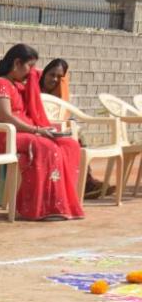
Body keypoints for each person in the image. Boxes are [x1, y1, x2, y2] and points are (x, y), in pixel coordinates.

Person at [0, 43, 84, 221]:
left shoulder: (17, 85)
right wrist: (37, 130)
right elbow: (6, 118)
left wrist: (41, 130)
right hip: (1, 135)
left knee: (69, 145)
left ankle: (59, 204)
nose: (32, 72)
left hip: (19, 134)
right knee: (47, 147)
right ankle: (37, 208)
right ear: (17, 63)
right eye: (30, 66)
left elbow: (42, 78)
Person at [39, 57, 104, 197]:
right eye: (51, 75)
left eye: (59, 77)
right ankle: (85, 185)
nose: (54, 79)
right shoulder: (34, 90)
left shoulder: (58, 93)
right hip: (38, 130)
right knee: (73, 138)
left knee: (78, 136)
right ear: (44, 73)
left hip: (56, 129)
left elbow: (63, 115)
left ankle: (85, 183)